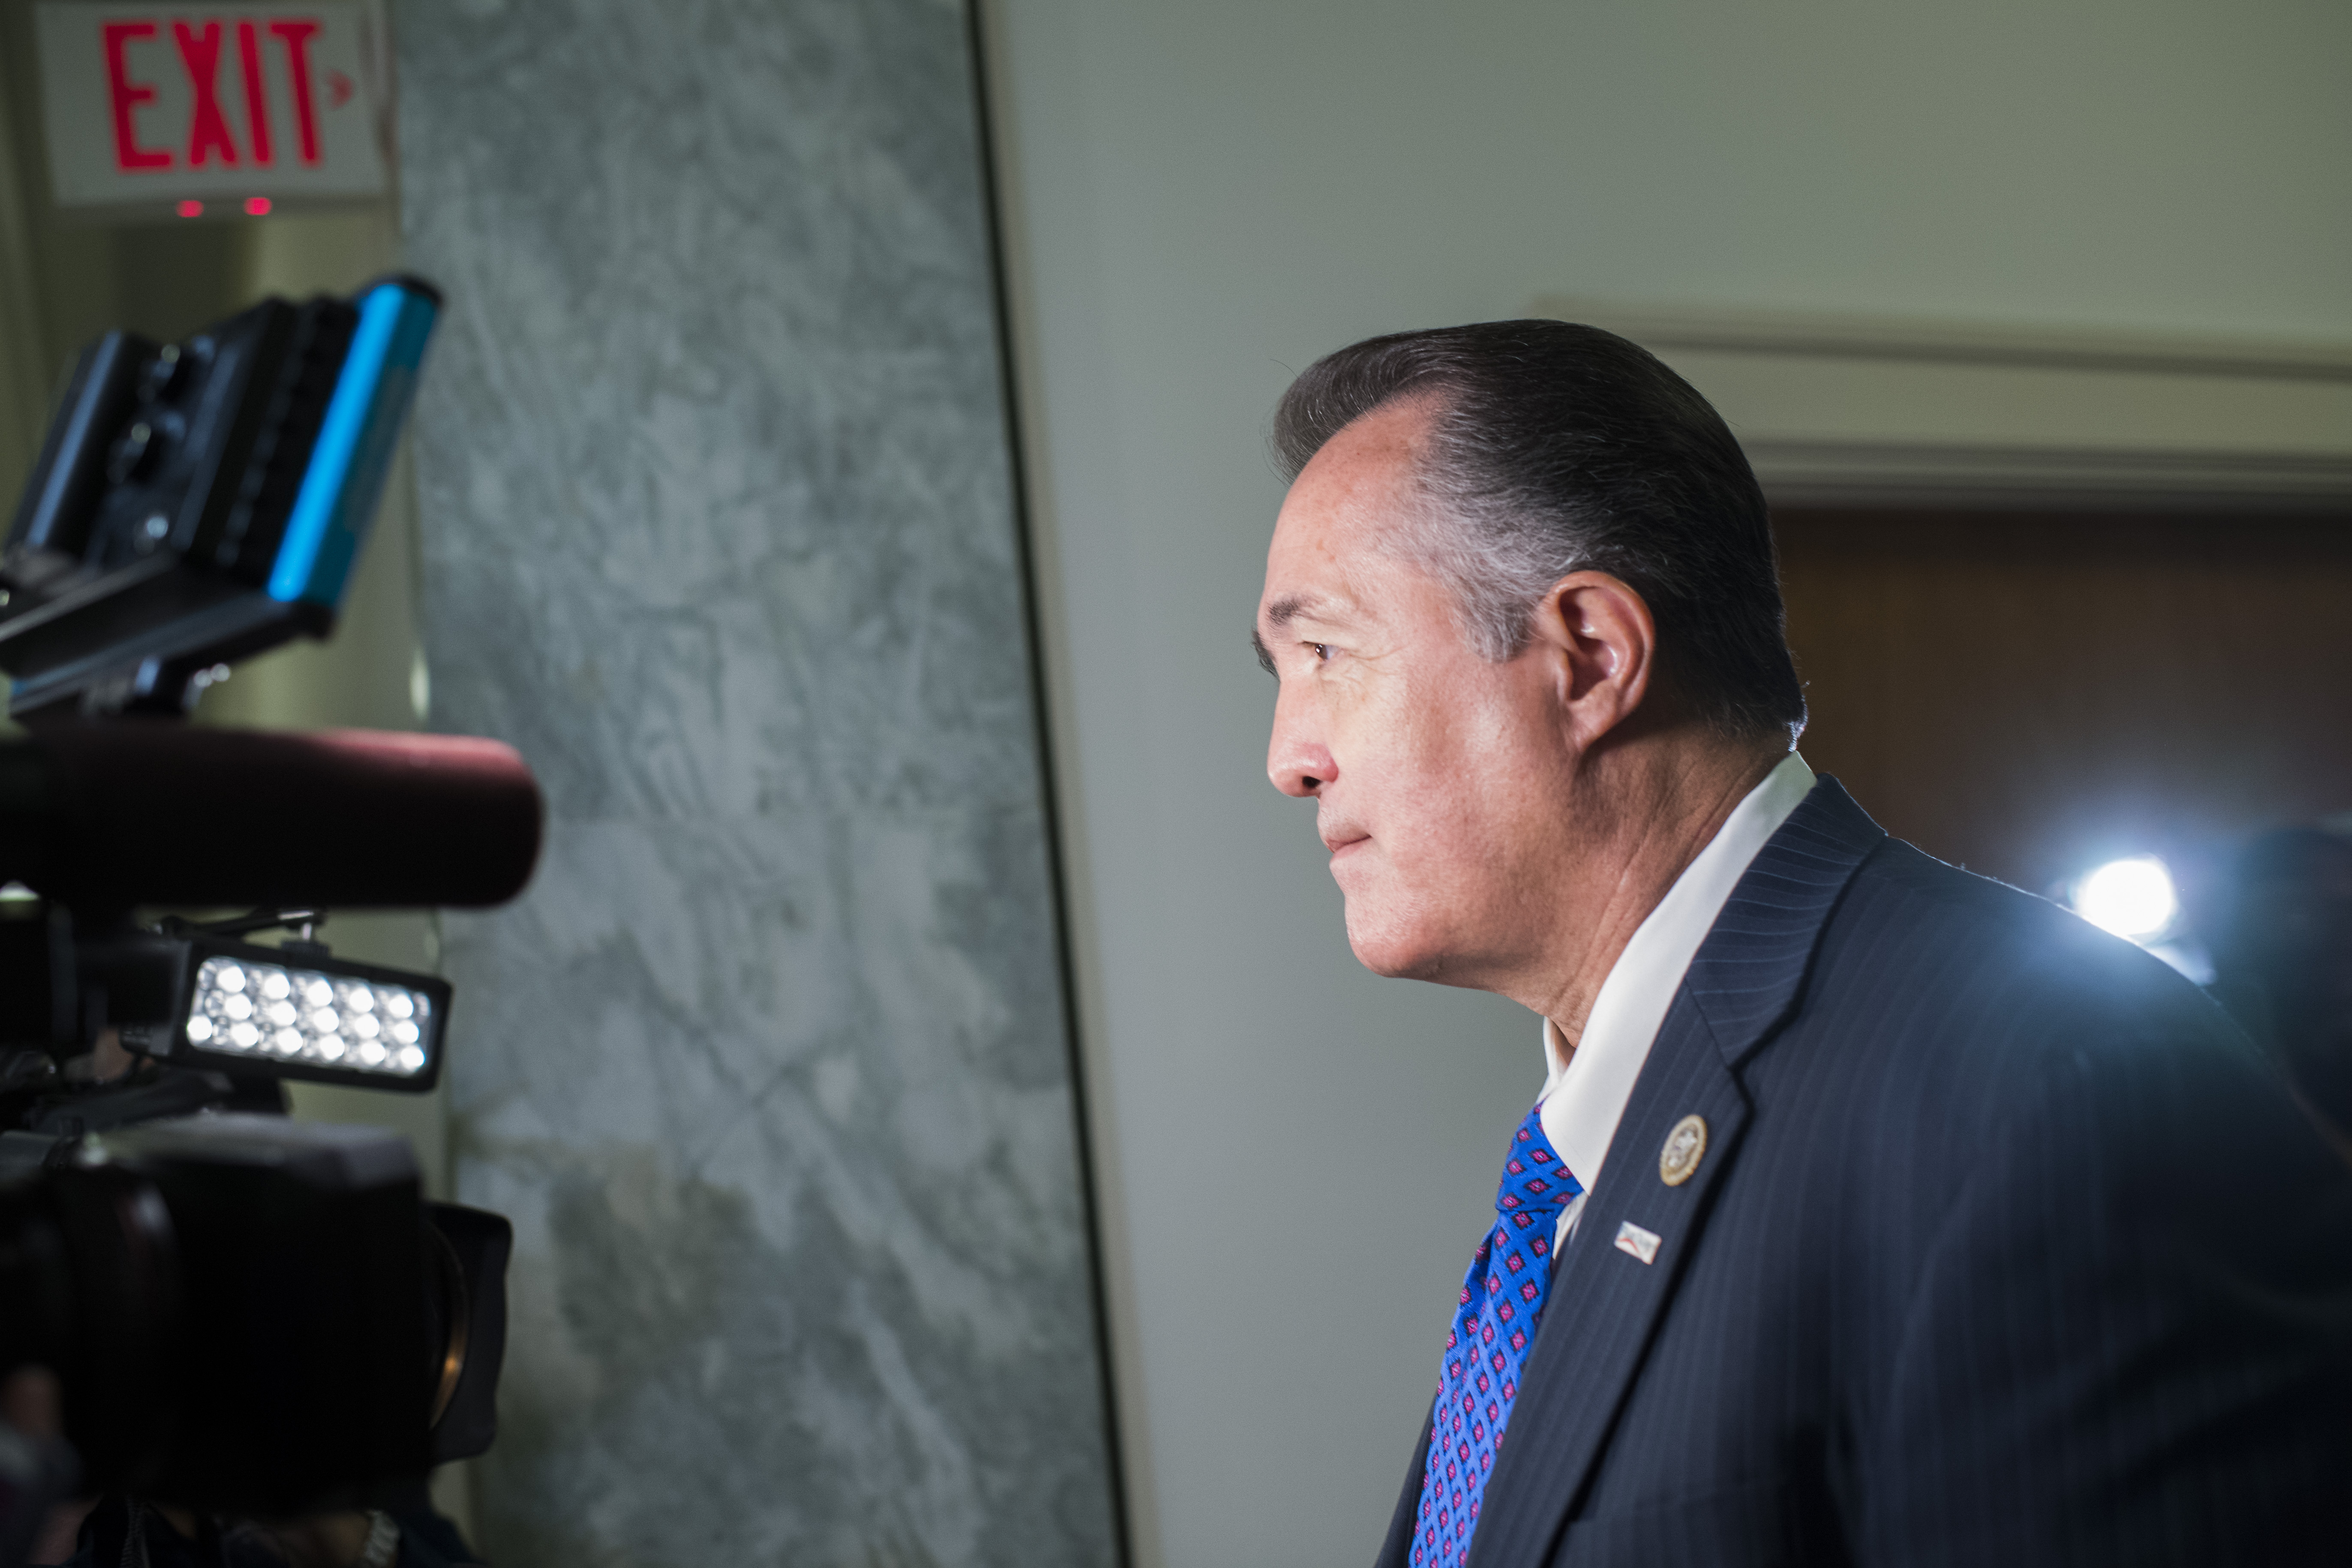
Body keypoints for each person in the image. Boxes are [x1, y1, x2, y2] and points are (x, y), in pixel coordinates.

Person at [1251, 320, 2352, 1568]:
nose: (1289, 757)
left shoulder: (2054, 1095)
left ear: (1589, 658)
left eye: (1328, 653)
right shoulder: (1577, 1161)